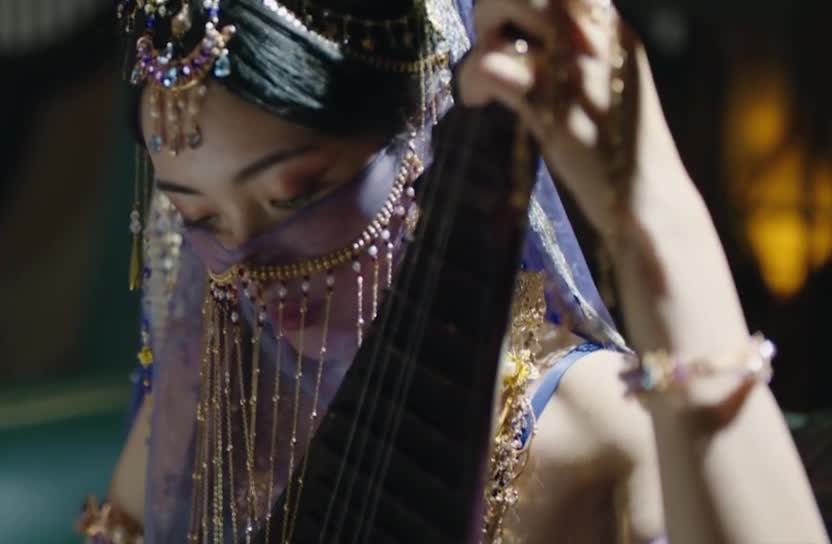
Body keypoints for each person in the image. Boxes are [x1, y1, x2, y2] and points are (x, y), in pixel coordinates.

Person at [78, 0, 828, 542]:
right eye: (201, 218)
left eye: (298, 196)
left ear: (420, 136)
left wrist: (653, 224)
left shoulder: (589, 423)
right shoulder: (217, 400)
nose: (248, 267)